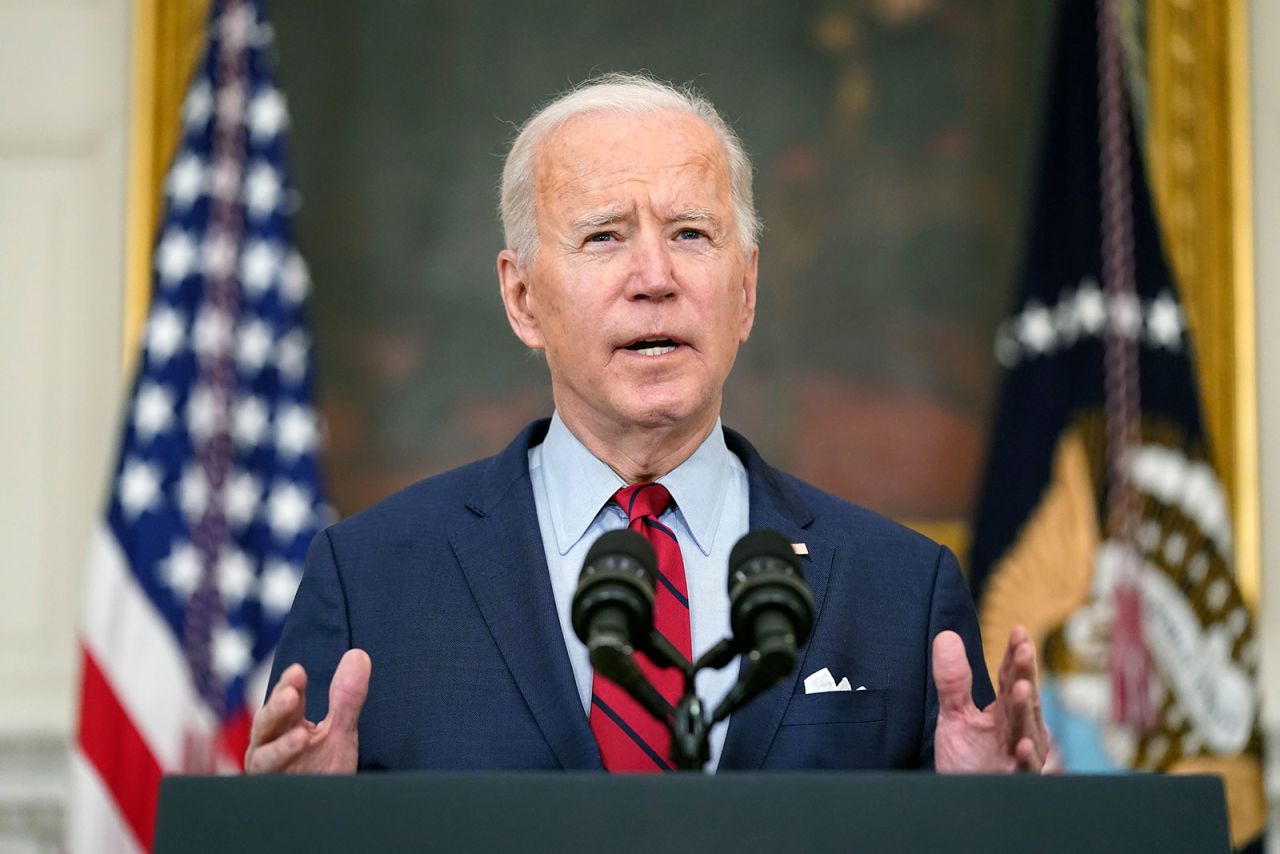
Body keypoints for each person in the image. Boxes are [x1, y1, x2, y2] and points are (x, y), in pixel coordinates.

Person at [246, 73, 1048, 775]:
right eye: (605, 237)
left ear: (746, 291)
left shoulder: (901, 591)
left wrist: (994, 826)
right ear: (522, 299)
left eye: (691, 234)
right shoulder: (373, 582)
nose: (655, 279)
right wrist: (285, 835)